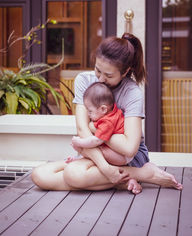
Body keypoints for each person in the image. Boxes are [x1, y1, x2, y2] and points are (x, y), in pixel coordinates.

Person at [32, 33, 182, 194]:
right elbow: (82, 131)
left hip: (126, 158)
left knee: (74, 174)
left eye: (109, 75)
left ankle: (143, 172)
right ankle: (126, 180)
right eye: (98, 70)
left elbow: (129, 147)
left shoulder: (132, 92)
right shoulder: (84, 80)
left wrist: (94, 127)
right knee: (40, 175)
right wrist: (106, 169)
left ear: (125, 72)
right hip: (95, 150)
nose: (101, 79)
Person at [67, 81, 133, 166]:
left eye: (90, 111)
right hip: (115, 151)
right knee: (96, 151)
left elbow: (96, 141)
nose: (88, 114)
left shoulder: (108, 122)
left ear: (103, 109)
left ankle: (81, 157)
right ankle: (81, 158)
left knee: (98, 150)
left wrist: (80, 143)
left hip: (122, 156)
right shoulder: (110, 113)